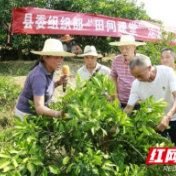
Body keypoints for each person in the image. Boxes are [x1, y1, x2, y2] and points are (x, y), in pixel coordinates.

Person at [15, 38, 75, 121]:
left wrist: (58, 83)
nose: (60, 60)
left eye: (62, 57)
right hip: (25, 115)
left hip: (36, 113)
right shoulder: (38, 75)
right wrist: (59, 114)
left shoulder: (50, 69)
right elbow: (39, 107)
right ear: (45, 57)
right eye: (56, 57)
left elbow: (43, 89)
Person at [124, 55, 176, 145]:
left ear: (149, 68)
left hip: (174, 116)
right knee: (160, 151)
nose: (138, 79)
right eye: (135, 77)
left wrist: (168, 116)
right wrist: (116, 124)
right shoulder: (136, 85)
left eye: (140, 75)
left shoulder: (166, 72)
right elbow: (129, 108)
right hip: (156, 121)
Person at [109, 35, 149, 109]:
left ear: (134, 47)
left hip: (139, 102)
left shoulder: (144, 60)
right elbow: (113, 77)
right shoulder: (116, 60)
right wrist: (115, 97)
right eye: (121, 48)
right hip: (121, 101)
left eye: (127, 48)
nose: (124, 51)